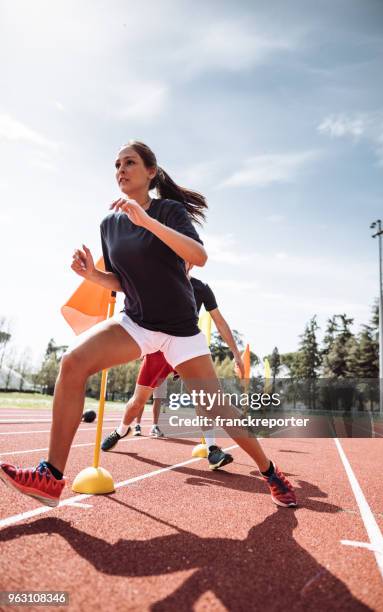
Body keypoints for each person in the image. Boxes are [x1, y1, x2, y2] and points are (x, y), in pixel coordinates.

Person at [0, 141, 296, 509]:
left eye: (130, 162)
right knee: (72, 363)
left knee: (219, 410)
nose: (121, 169)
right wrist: (93, 274)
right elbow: (120, 280)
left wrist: (149, 222)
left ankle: (270, 471)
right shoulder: (109, 223)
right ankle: (50, 476)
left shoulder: (168, 211)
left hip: (181, 332)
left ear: (150, 172)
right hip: (137, 323)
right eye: (117, 164)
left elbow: (198, 257)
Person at [101, 269, 245, 472]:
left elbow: (219, 321)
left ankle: (212, 449)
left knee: (202, 398)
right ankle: (121, 430)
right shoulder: (161, 278)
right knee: (137, 402)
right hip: (158, 348)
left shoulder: (201, 288)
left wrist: (236, 355)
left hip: (185, 346)